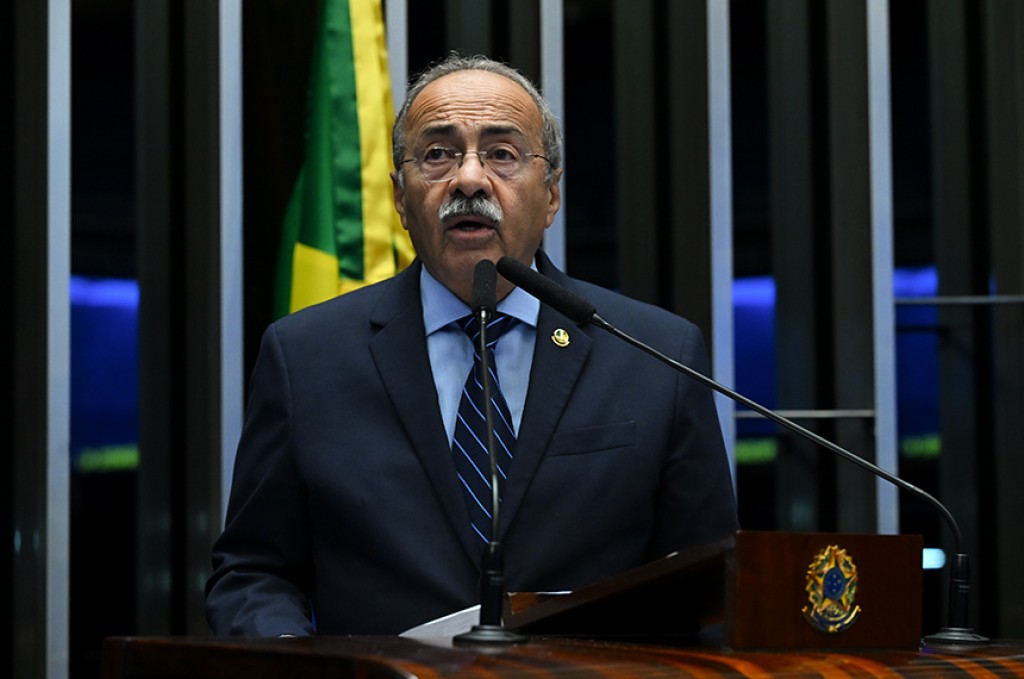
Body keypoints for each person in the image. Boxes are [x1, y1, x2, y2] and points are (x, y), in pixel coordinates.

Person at [205, 54, 738, 637]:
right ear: (400, 198)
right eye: (438, 154)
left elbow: (710, 583)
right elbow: (254, 572)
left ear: (552, 194)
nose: (469, 179)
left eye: (502, 154)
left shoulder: (654, 353)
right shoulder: (306, 357)